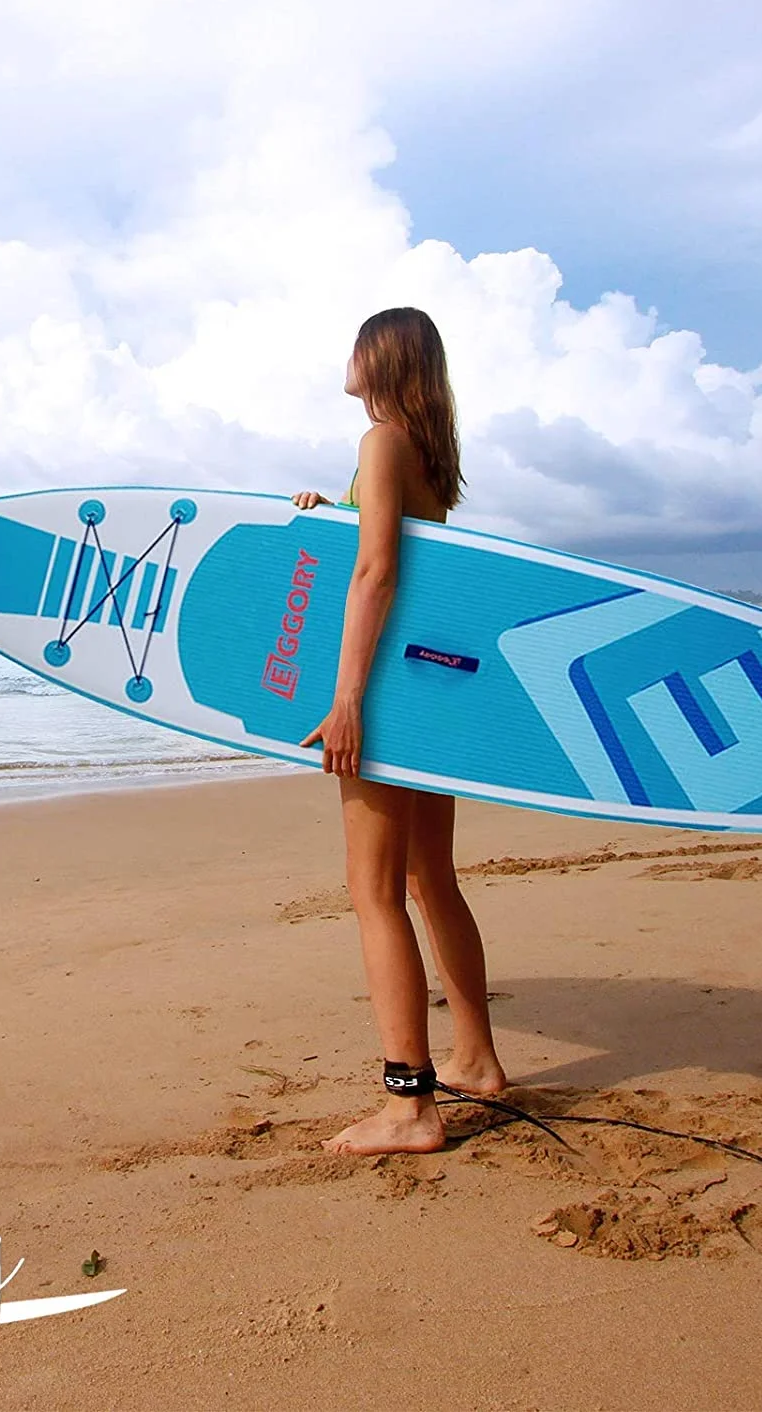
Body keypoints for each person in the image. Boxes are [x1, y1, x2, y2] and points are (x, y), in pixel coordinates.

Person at [292, 306, 508, 1157]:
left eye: (357, 345)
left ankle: (410, 1106)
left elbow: (378, 573)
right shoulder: (421, 451)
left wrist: (348, 701)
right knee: (431, 880)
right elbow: (387, 552)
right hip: (430, 695)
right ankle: (476, 1060)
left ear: (379, 359)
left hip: (385, 694)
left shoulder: (380, 442)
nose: (344, 359)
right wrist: (329, 514)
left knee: (374, 893)